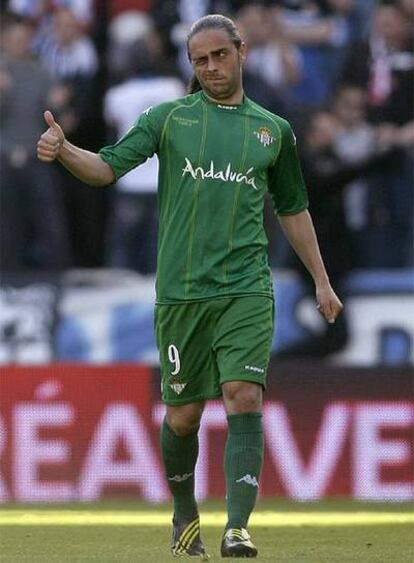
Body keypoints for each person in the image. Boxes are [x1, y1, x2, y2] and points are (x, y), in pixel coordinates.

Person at [37, 14, 343, 559]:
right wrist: (65, 152)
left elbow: (293, 209)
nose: (211, 69)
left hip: (247, 288)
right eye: (199, 61)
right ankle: (184, 513)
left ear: (241, 51)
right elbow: (107, 169)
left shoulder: (274, 130)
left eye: (219, 56)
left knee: (243, 396)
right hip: (181, 293)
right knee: (183, 415)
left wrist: (322, 281)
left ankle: (238, 528)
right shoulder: (169, 119)